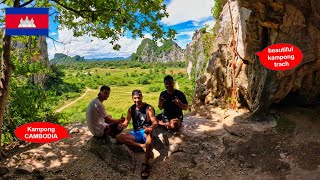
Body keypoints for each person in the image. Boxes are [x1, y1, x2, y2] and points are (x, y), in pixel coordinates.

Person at [116, 90, 158, 179]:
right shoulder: (131, 109)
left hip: (146, 131)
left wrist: (150, 128)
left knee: (149, 137)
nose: (137, 100)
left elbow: (155, 121)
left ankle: (146, 164)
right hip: (136, 133)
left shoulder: (148, 108)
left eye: (138, 98)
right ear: (132, 98)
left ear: (142, 97)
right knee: (119, 137)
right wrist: (122, 126)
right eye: (135, 98)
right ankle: (142, 146)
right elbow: (126, 122)